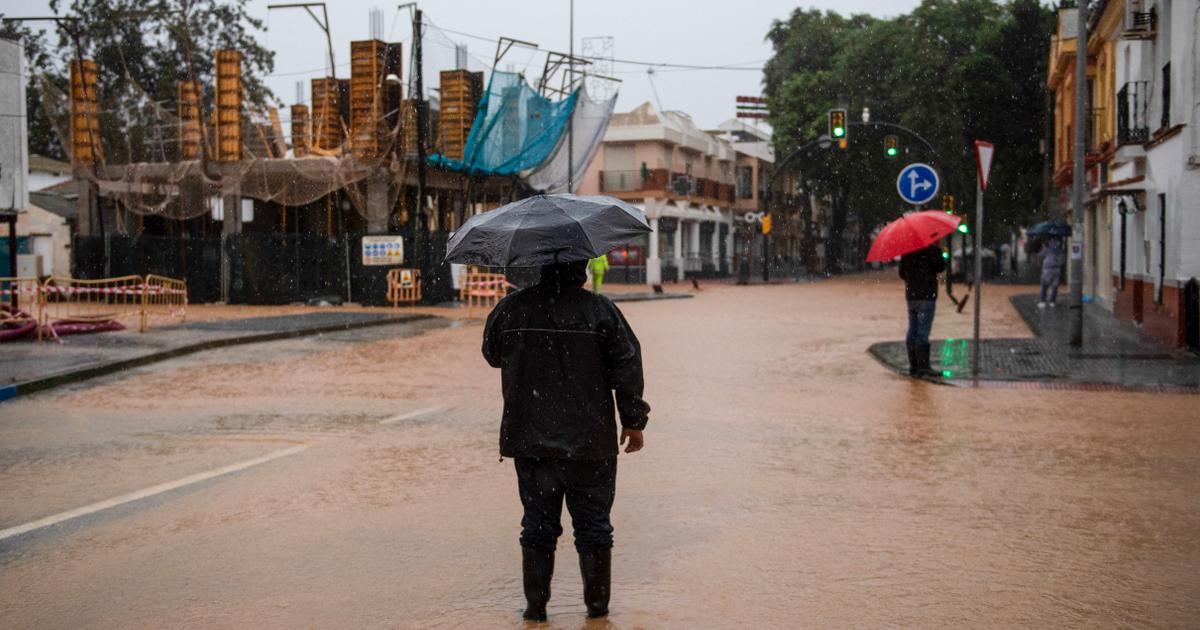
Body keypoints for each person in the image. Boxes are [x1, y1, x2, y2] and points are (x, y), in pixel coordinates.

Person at [482, 260, 651, 621]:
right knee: (593, 527)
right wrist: (633, 422)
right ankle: (597, 613)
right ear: (583, 267)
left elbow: (492, 354)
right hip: (590, 443)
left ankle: (535, 610)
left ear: (542, 266)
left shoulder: (511, 308)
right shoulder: (600, 310)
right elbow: (627, 364)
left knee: (538, 525)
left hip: (530, 438)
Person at [898, 243, 946, 378]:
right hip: (927, 295)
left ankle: (914, 365)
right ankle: (923, 367)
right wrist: (938, 251)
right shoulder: (932, 250)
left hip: (911, 295)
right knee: (922, 330)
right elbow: (941, 267)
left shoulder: (907, 250)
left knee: (913, 328)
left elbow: (901, 273)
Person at [1038, 238, 1065, 308]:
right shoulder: (1059, 251)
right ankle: (1051, 301)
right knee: (1054, 286)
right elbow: (1062, 262)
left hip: (1048, 270)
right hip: (1055, 270)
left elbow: (1040, 256)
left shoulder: (1048, 250)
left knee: (1045, 286)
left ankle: (1043, 301)